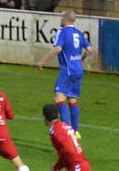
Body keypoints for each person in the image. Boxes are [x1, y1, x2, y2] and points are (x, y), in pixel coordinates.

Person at [38, 10, 92, 139]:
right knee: (72, 100)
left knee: (59, 98)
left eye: (61, 17)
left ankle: (67, 133)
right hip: (78, 69)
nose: (60, 19)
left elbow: (58, 49)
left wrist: (43, 61)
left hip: (67, 70)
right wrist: (81, 59)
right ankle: (76, 131)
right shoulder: (78, 33)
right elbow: (89, 49)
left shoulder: (61, 32)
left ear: (65, 19)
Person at [42, 104, 91, 171]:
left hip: (77, 167)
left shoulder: (55, 131)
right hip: (83, 164)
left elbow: (66, 150)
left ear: (44, 118)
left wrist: (57, 167)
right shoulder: (65, 125)